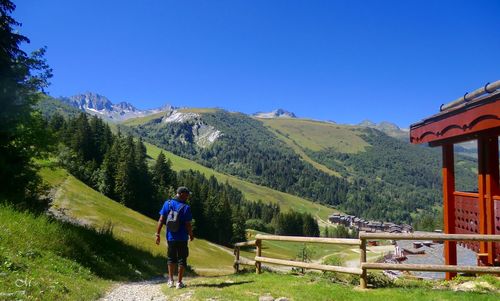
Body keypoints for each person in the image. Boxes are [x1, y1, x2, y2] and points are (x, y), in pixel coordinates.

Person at [155, 186, 194, 289]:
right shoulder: (186, 207)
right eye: (187, 195)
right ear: (181, 194)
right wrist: (191, 235)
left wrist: (157, 234)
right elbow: (188, 224)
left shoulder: (167, 204)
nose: (188, 197)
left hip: (170, 237)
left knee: (171, 258)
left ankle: (171, 280)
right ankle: (179, 283)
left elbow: (161, 219)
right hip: (182, 238)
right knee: (182, 259)